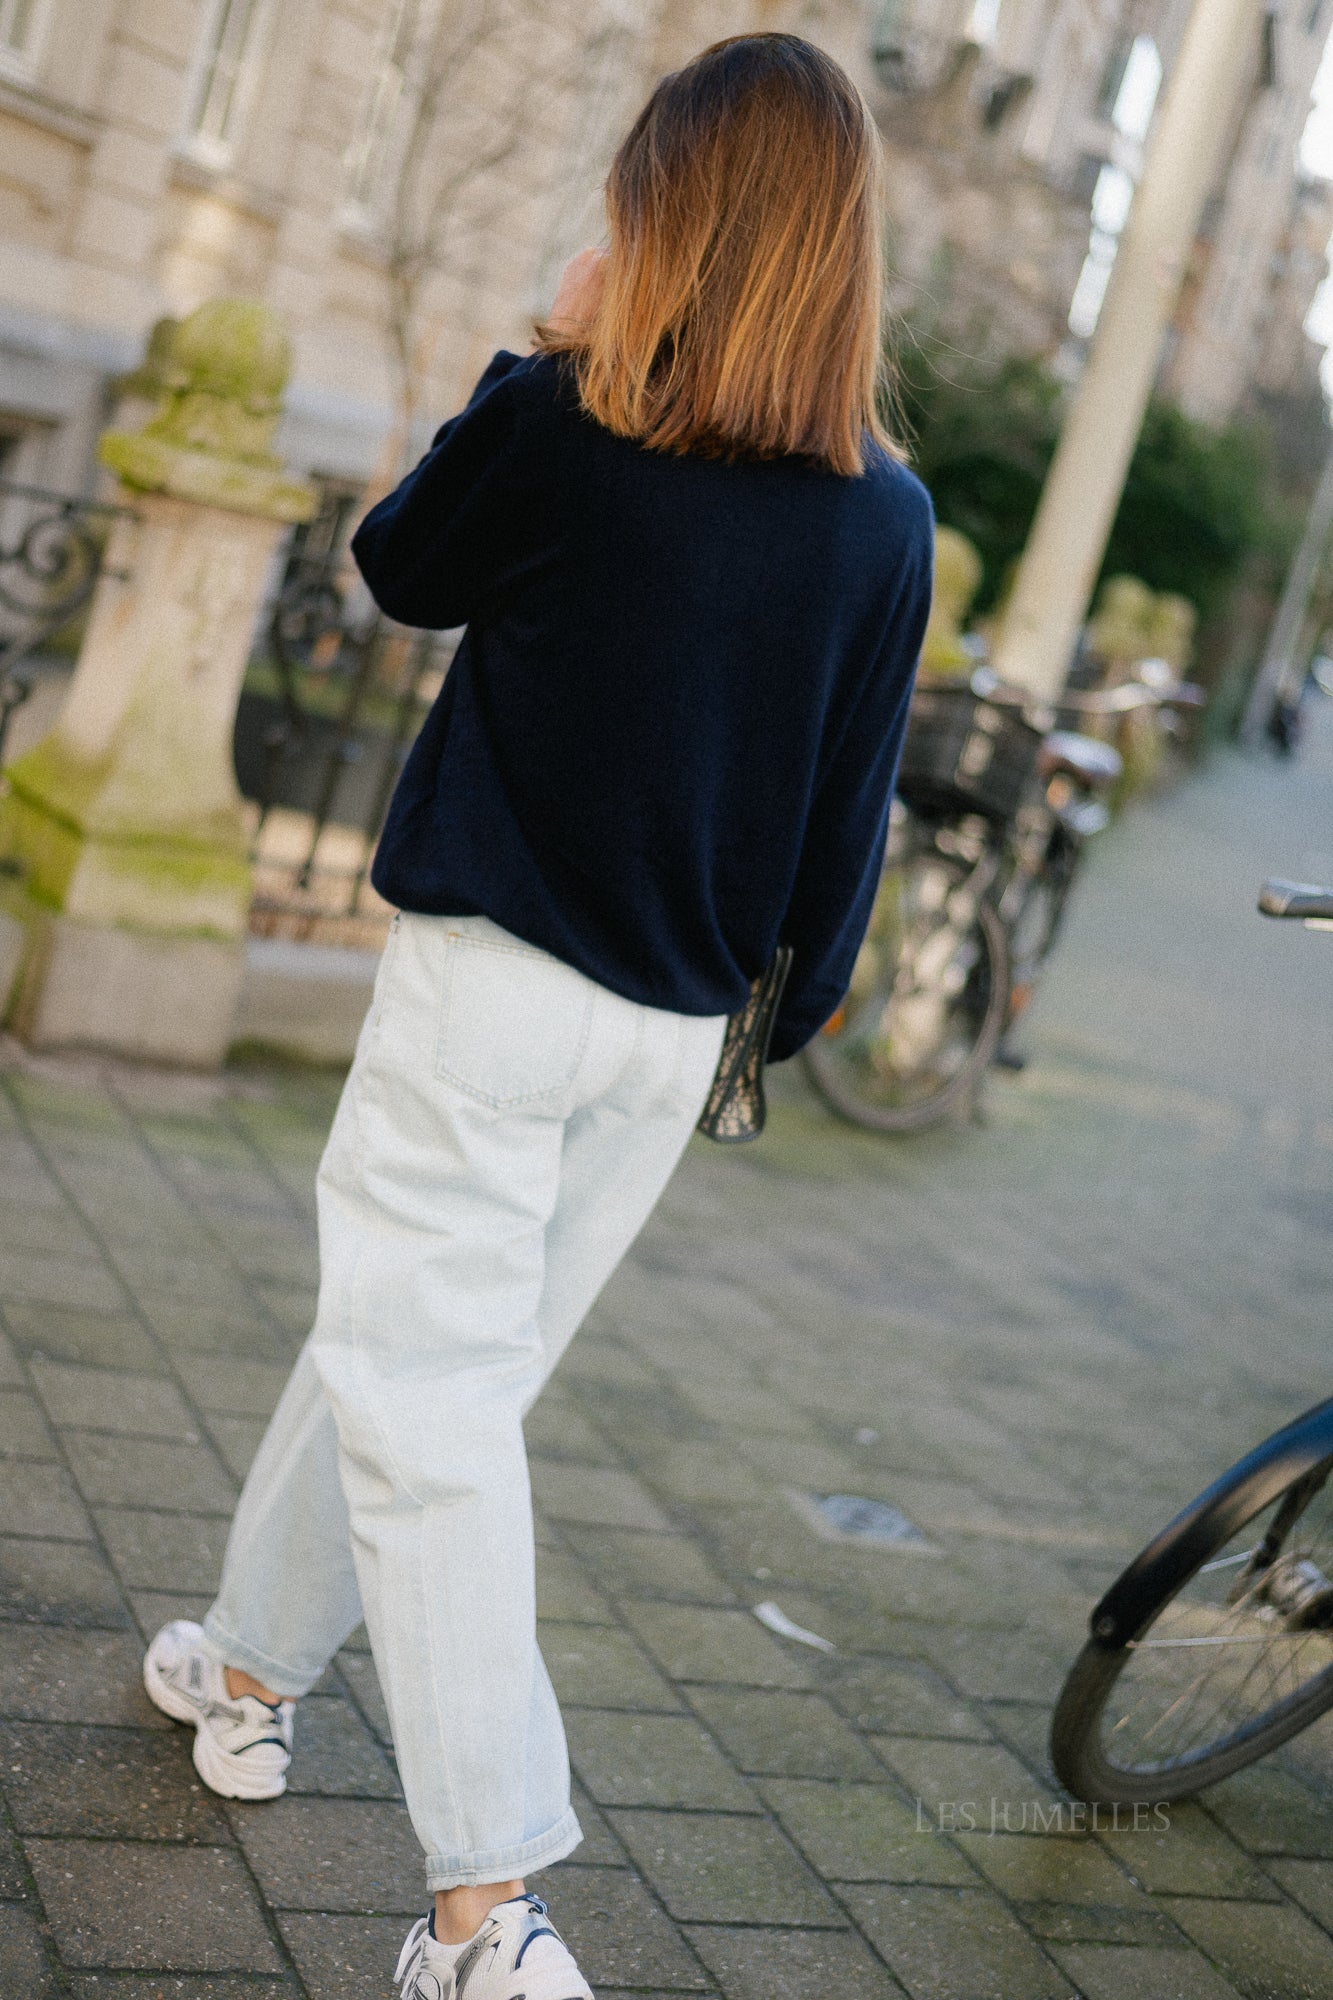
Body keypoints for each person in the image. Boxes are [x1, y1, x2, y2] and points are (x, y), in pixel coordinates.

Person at [143, 32, 933, 2000]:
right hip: (669, 1038)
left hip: (496, 999)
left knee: (430, 1412)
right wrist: (782, 1014)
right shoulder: (883, 519)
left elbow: (397, 566)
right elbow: (845, 823)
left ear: (667, 219)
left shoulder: (579, 431)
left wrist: (539, 351)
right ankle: (249, 1666)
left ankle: (483, 1910)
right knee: (422, 1378)